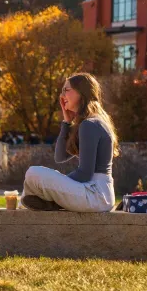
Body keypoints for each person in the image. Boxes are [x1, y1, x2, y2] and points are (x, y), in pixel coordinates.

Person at [21, 73, 119, 212]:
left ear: (82, 92)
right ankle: (52, 203)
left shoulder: (90, 124)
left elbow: (85, 173)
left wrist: (57, 186)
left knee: (33, 173)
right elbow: (60, 157)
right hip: (99, 195)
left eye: (66, 90)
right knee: (31, 184)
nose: (62, 96)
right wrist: (66, 122)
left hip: (95, 195)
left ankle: (53, 202)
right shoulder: (89, 123)